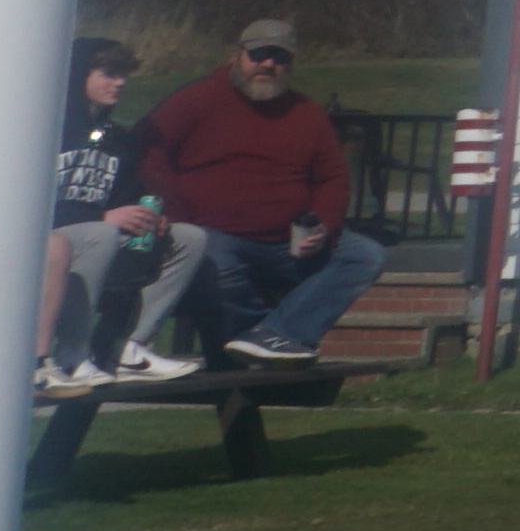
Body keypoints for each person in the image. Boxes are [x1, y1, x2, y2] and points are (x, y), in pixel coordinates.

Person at [137, 20, 384, 368]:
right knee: (211, 257)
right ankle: (247, 343)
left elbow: (332, 178)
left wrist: (323, 225)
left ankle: (279, 334)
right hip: (215, 237)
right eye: (258, 54)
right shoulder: (197, 99)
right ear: (237, 55)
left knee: (365, 254)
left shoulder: (307, 113)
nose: (268, 64)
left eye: (279, 58)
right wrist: (176, 217)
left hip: (288, 243)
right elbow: (149, 151)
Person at [35, 38, 204, 395]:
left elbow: (128, 192)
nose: (120, 83)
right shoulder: (46, 129)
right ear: (79, 75)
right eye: (109, 74)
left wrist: (148, 216)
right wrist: (103, 216)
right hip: (49, 241)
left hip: (99, 235)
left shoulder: (117, 139)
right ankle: (71, 352)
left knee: (189, 238)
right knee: (102, 233)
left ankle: (128, 347)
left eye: (124, 75)